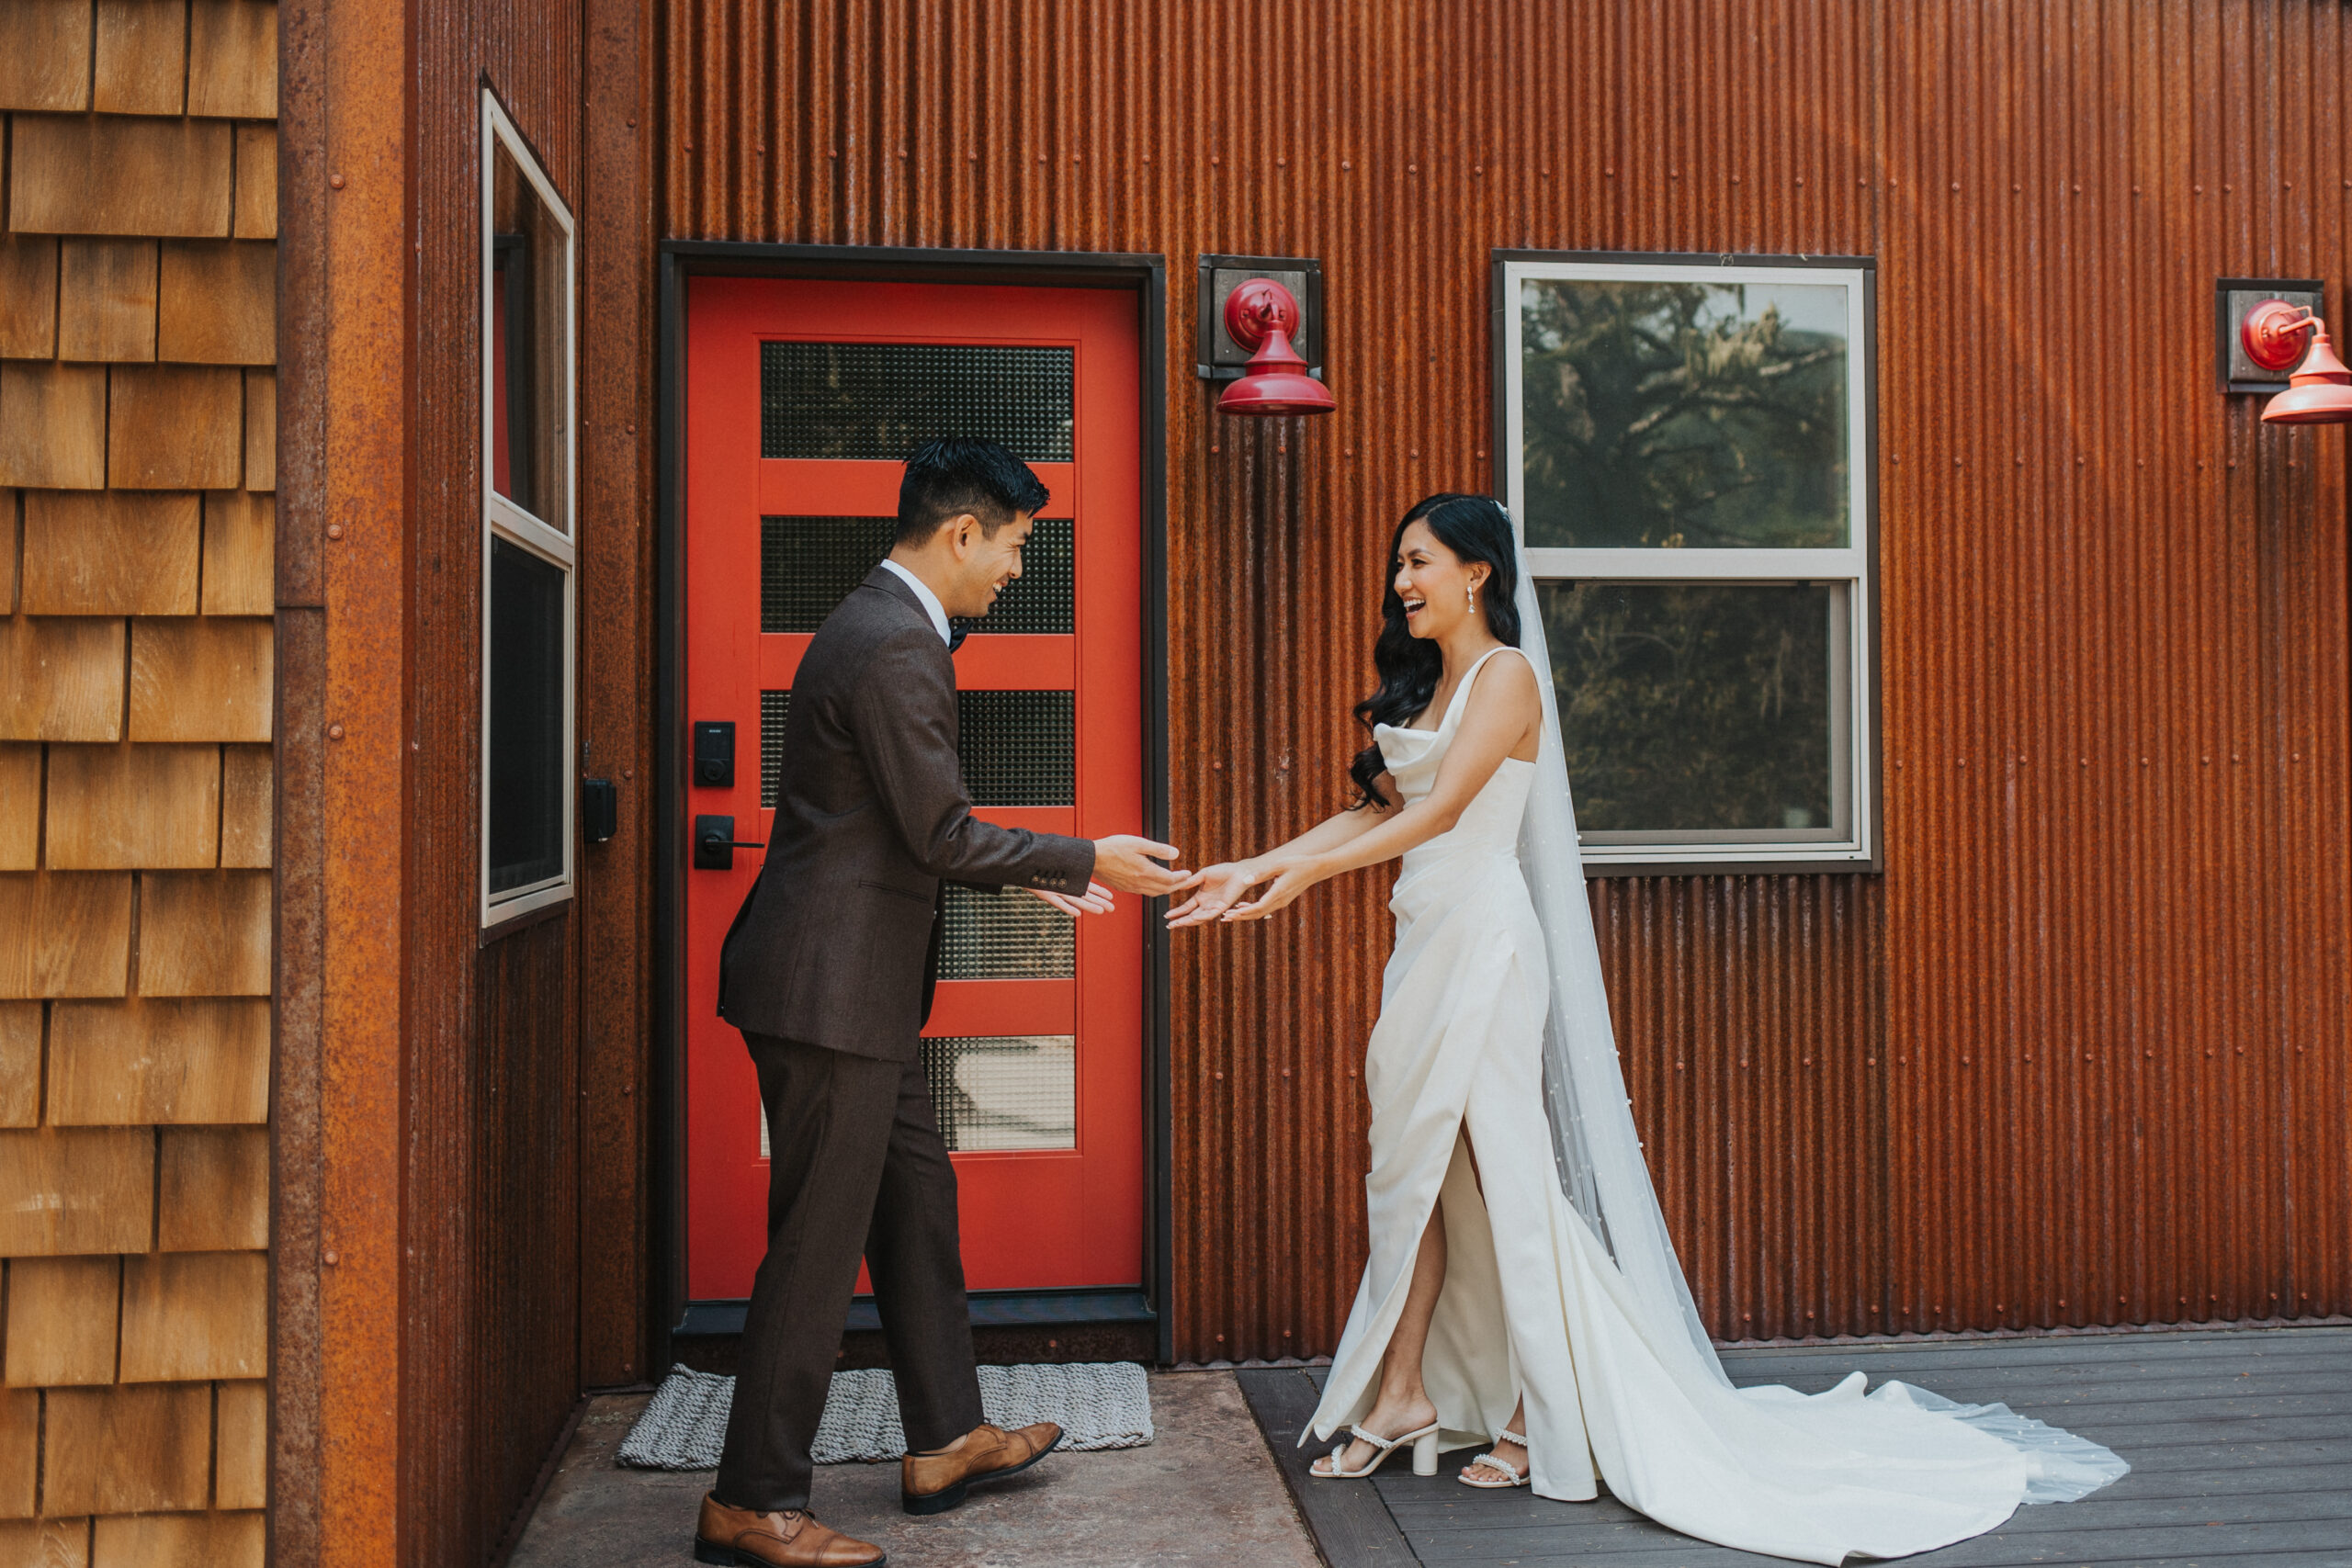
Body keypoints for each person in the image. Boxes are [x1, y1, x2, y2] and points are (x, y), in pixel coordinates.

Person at [1170, 493, 2127, 1564]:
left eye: (1420, 561)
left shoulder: (1506, 679)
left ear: (1477, 572)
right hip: (1421, 945)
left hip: (1484, 945)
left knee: (1505, 1176)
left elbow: (1436, 818)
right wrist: (1252, 865)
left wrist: (1297, 882)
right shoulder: (1433, 684)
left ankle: (1545, 1407)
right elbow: (1376, 812)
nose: (1402, 581)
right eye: (1399, 564)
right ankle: (1399, 1396)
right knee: (1417, 1174)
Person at [700, 437, 1191, 1568]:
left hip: (849, 991)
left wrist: (1034, 873)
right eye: (1017, 545)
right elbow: (938, 831)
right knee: (814, 1257)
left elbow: (906, 823)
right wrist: (1081, 860)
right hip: (831, 996)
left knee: (913, 1204)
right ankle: (749, 1499)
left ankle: (946, 1437)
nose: (1019, 570)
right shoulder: (894, 645)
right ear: (963, 533)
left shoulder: (886, 628)